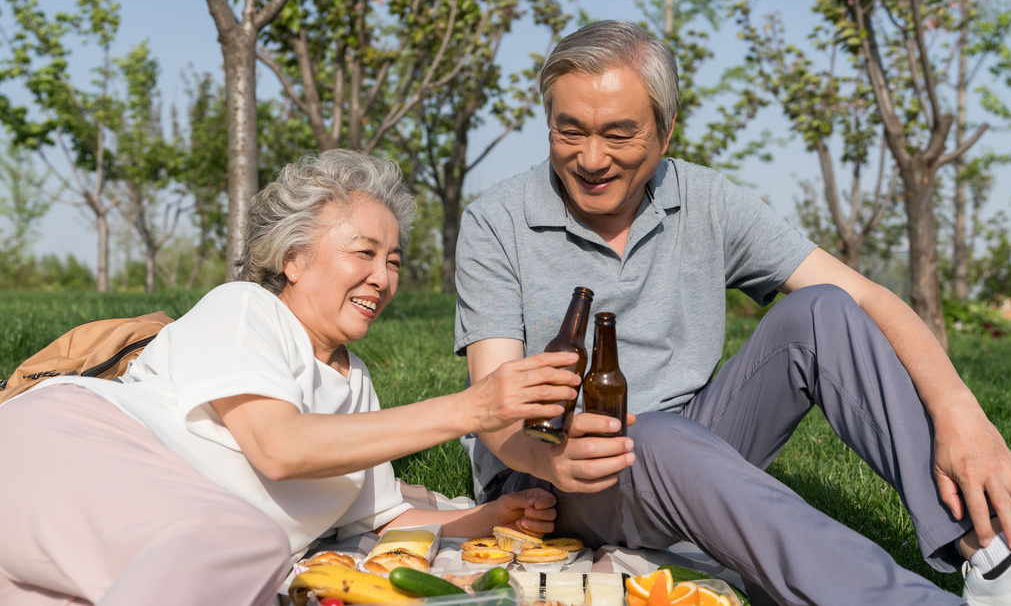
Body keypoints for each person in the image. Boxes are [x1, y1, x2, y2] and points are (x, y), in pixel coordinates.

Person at [455, 20, 1011, 606]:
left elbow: (873, 299)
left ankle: (993, 555)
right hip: (554, 474)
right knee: (654, 436)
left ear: (665, 133)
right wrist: (550, 459)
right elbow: (493, 412)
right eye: (568, 130)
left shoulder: (706, 200)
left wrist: (961, 414)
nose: (591, 159)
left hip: (694, 439)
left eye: (619, 135)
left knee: (822, 310)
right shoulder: (496, 222)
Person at [0, 151, 579, 606]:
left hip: (158, 531)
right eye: (364, 252)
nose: (382, 277)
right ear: (292, 260)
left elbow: (383, 519)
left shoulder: (357, 385)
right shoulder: (247, 309)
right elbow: (279, 447)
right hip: (80, 446)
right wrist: (471, 409)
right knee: (245, 546)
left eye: (395, 260)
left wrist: (487, 518)